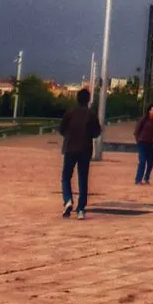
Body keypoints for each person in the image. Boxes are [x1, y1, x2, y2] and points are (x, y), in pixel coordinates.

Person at [59, 88, 101, 218]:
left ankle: (68, 200)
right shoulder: (91, 114)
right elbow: (97, 132)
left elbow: (61, 129)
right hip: (85, 150)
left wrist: (69, 136)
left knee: (66, 177)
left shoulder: (70, 113)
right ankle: (81, 209)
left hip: (70, 148)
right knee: (83, 179)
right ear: (88, 100)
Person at [134, 104, 153, 184]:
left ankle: (147, 177)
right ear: (149, 111)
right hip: (142, 143)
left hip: (151, 144)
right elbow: (136, 131)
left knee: (151, 162)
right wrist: (138, 140)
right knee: (143, 161)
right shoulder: (143, 120)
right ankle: (138, 179)